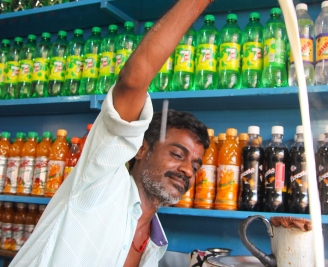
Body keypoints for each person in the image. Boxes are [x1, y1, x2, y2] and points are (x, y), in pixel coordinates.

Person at [10, 0, 213, 266]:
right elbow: (132, 82)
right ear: (141, 148)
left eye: (196, 166)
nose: (188, 170)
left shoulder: (155, 246)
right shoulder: (102, 181)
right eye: (177, 153)